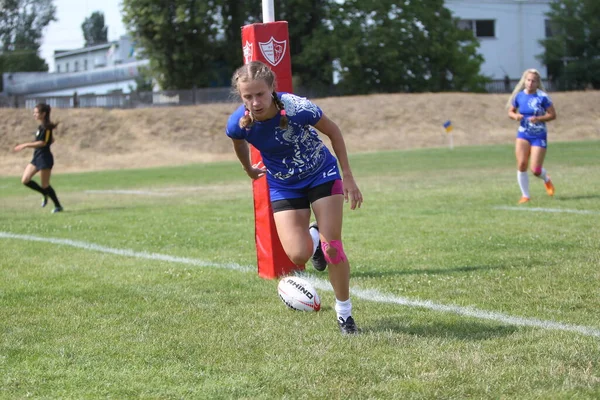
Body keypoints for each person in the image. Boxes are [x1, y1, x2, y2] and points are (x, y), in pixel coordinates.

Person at [226, 61, 363, 335]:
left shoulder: (298, 108)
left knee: (332, 248)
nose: (255, 102)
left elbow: (333, 131)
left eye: (260, 94)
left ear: (272, 89)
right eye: (247, 97)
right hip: (284, 185)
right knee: (297, 254)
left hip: (321, 173)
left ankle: (344, 314)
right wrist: (248, 169)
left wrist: (347, 175)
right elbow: (238, 143)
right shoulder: (239, 124)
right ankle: (315, 235)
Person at [506, 69, 556, 204]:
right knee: (522, 164)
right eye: (528, 80)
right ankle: (525, 196)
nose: (530, 83)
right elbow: (510, 112)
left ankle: (546, 178)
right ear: (524, 81)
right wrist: (515, 116)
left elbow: (552, 115)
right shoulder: (519, 96)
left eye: (533, 81)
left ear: (537, 82)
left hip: (539, 135)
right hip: (523, 133)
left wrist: (539, 118)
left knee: (535, 169)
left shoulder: (543, 97)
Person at [13, 103, 64, 213]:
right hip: (37, 157)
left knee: (45, 185)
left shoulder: (46, 127)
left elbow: (42, 142)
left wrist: (25, 145)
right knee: (25, 180)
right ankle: (44, 194)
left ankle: (58, 206)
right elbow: (51, 140)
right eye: (34, 112)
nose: (34, 114)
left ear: (43, 114)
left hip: (45, 158)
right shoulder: (41, 127)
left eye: (36, 113)